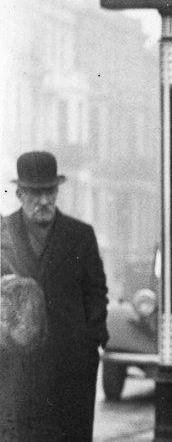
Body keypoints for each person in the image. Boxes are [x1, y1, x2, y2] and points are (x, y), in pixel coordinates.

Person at [0, 151, 108, 442]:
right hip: (15, 368)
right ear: (19, 194)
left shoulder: (81, 235)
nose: (44, 201)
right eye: (36, 193)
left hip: (69, 366)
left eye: (50, 191)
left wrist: (90, 343)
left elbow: (96, 292)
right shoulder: (2, 234)